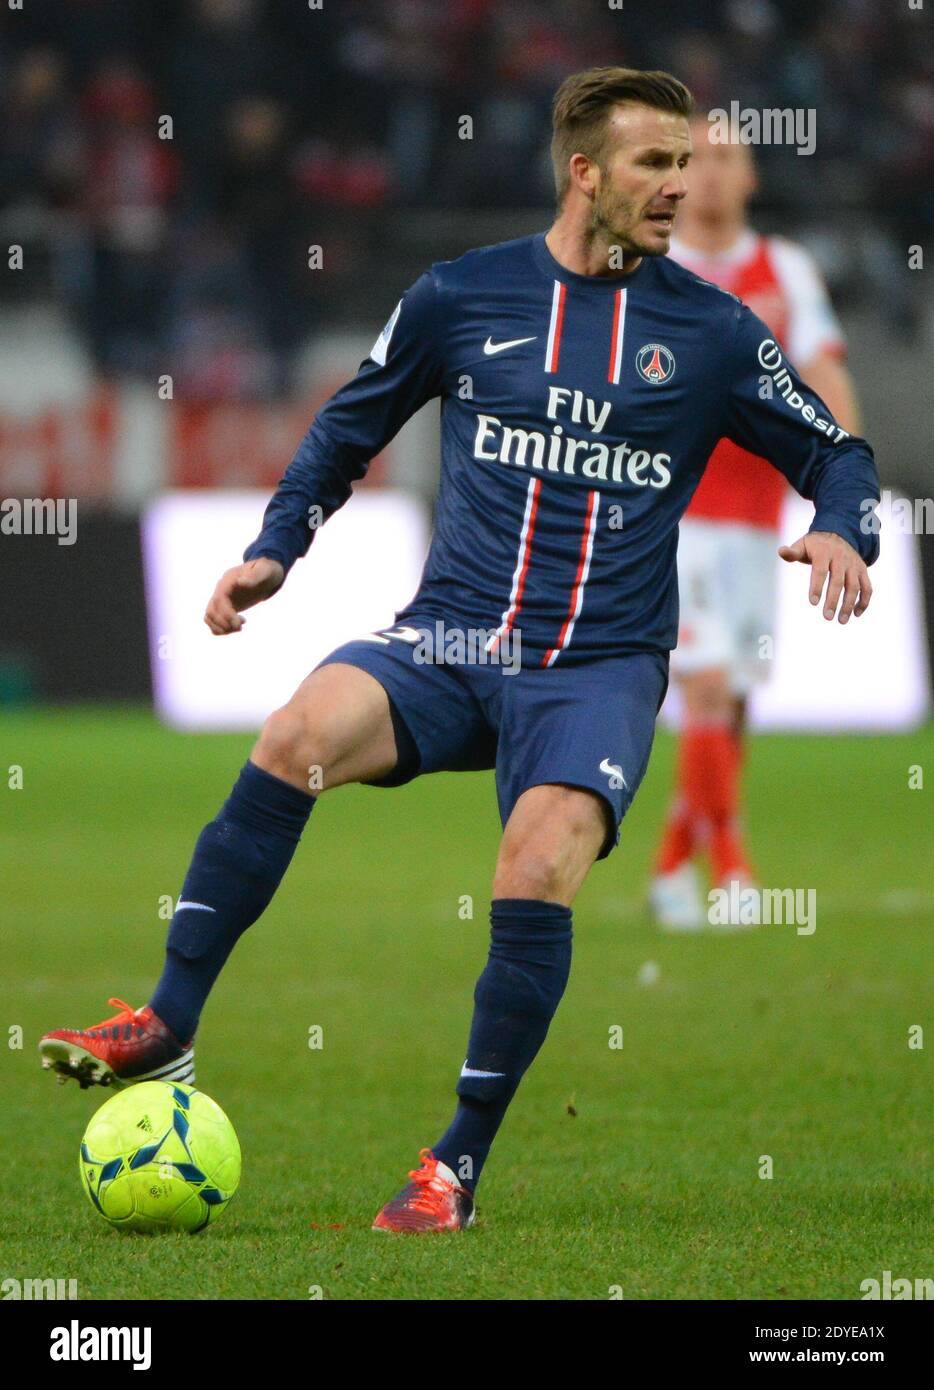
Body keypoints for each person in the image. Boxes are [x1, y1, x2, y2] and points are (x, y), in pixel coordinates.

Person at [40, 68, 879, 1233]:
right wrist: (274, 550)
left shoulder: (714, 331)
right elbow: (349, 425)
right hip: (450, 634)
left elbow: (837, 452)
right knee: (293, 734)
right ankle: (168, 1020)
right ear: (582, 172)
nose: (678, 187)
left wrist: (842, 525)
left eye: (685, 165)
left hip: (596, 665)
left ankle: (455, 1165)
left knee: (533, 864)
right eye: (652, 163)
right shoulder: (460, 294)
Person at [650, 117, 864, 931]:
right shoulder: (652, 269)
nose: (709, 172)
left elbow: (825, 375)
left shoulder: (785, 268)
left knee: (732, 702)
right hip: (671, 519)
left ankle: (672, 864)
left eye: (725, 156)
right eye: (693, 158)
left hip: (760, 523)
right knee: (704, 685)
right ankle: (735, 872)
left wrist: (844, 493)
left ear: (750, 175)